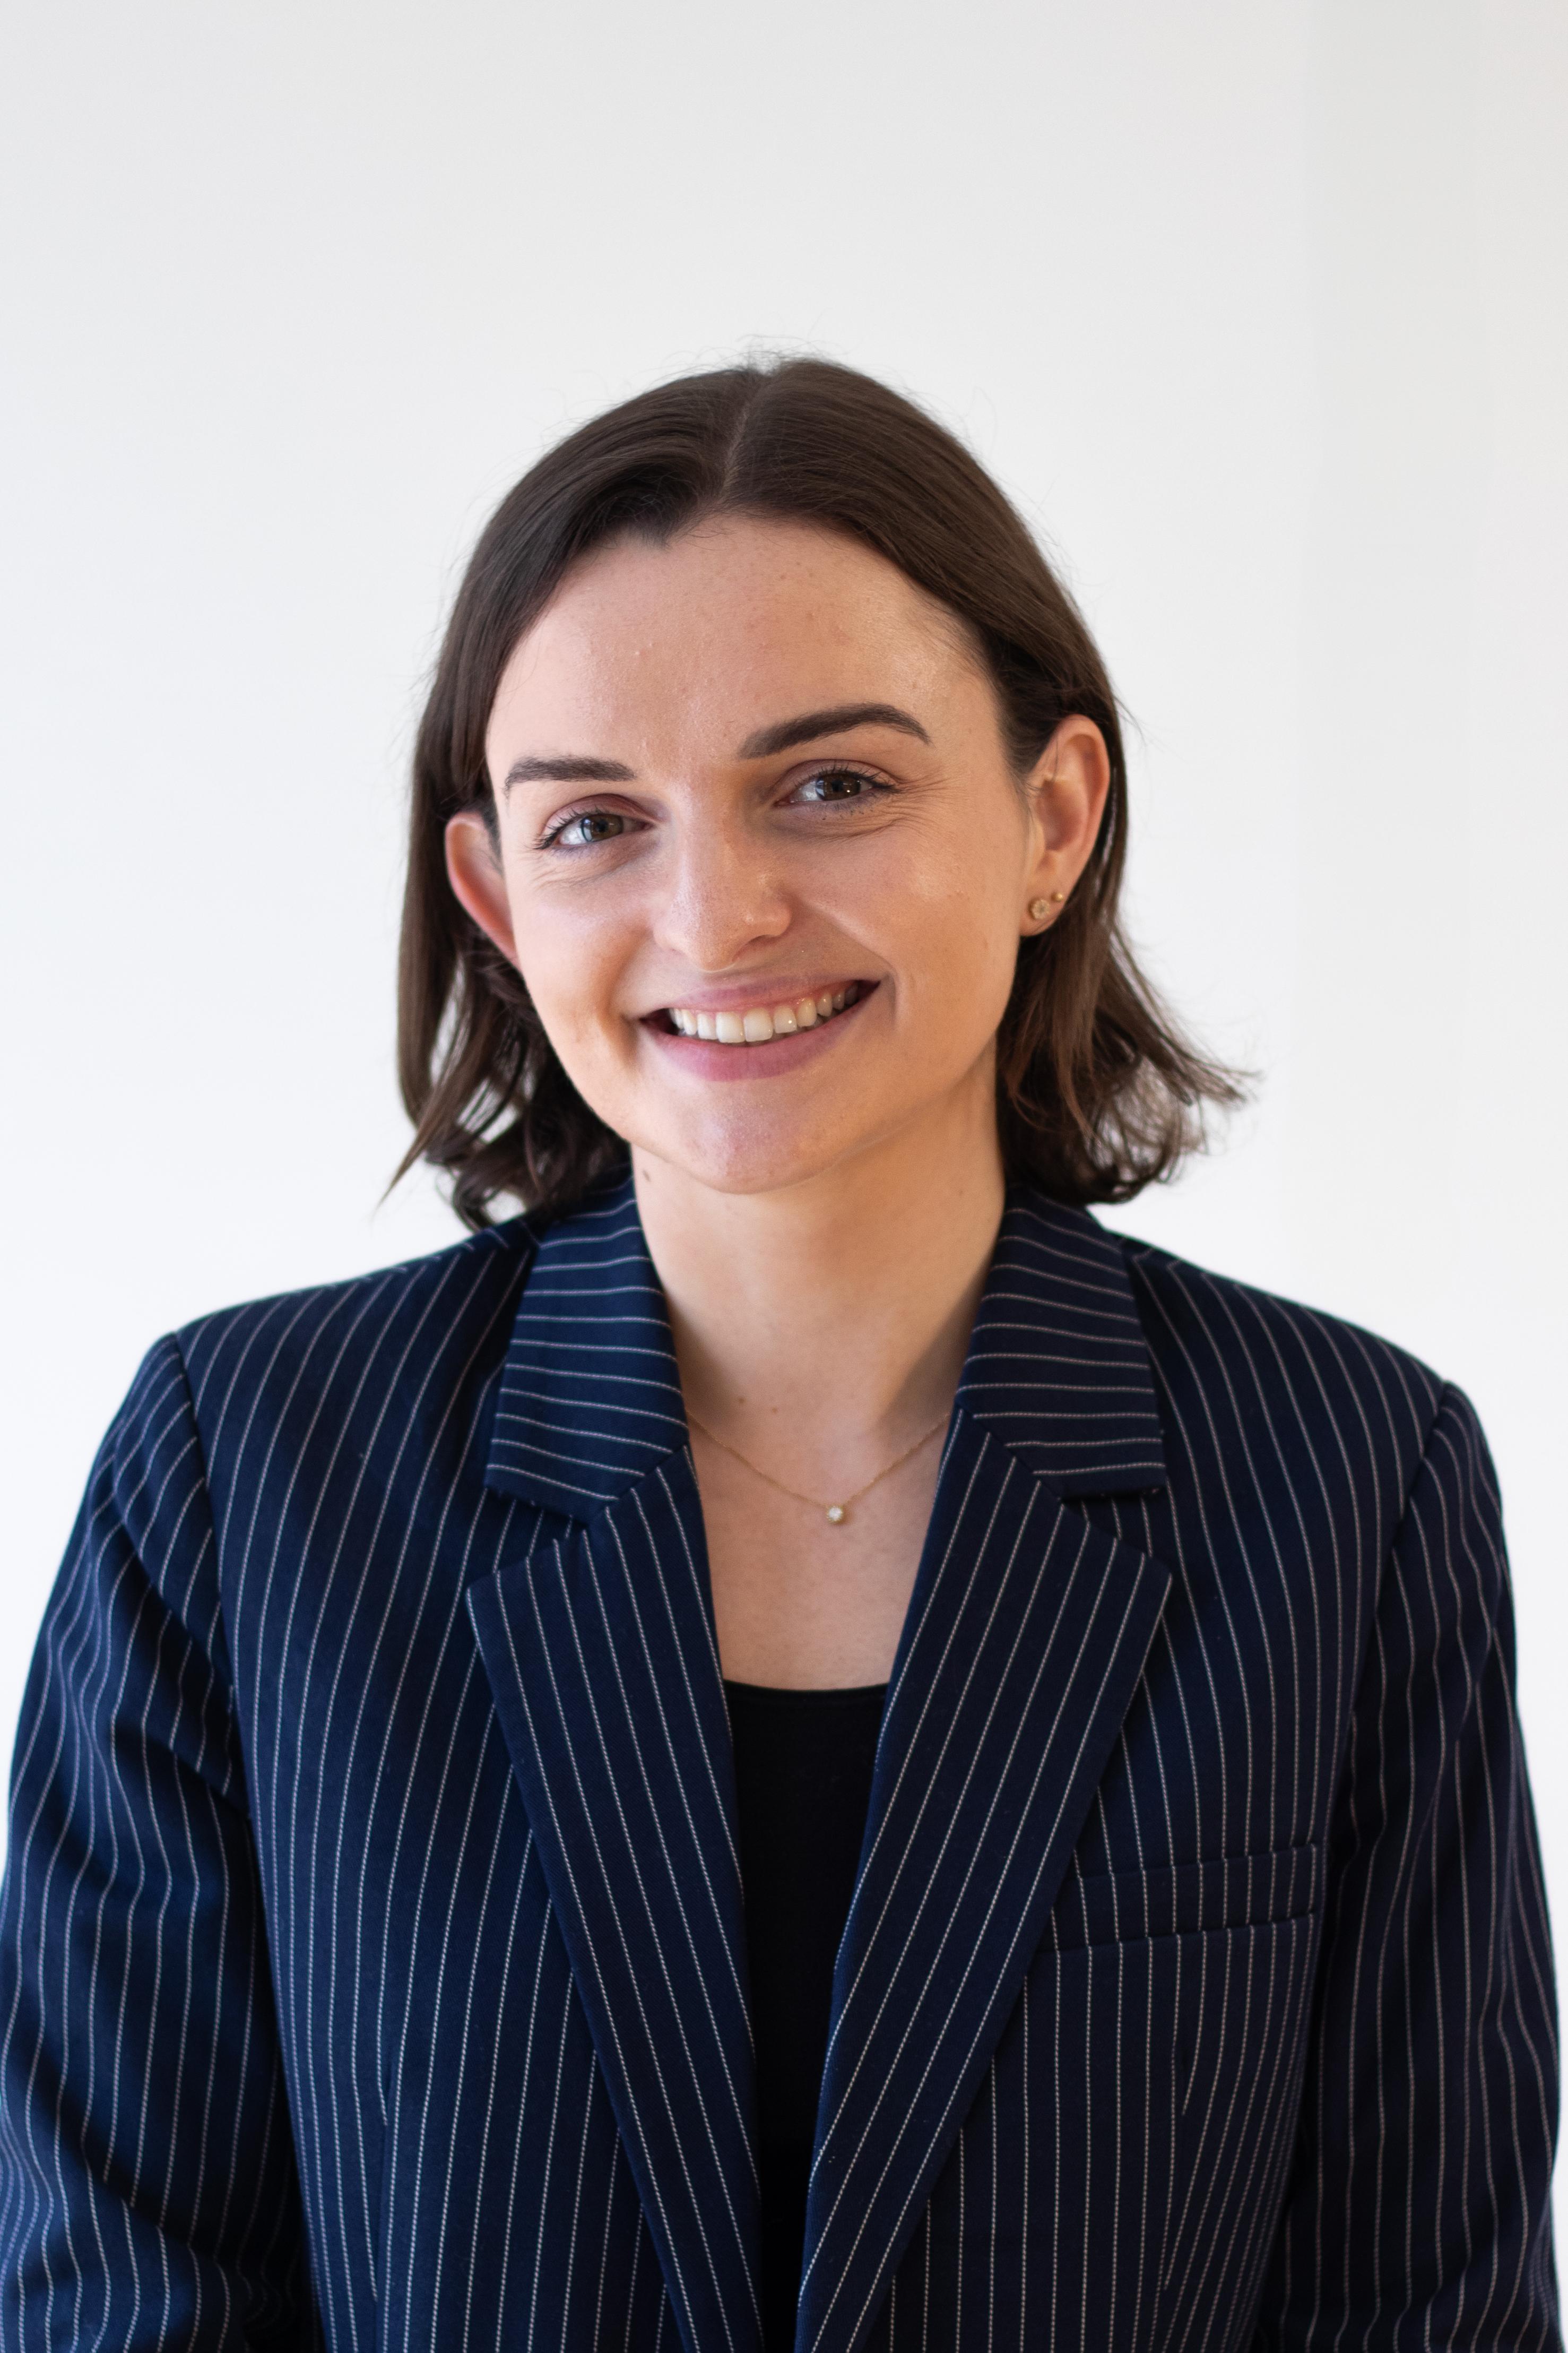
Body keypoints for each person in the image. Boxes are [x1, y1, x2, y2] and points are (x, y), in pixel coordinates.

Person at [0, 356, 1558, 2353]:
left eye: (830, 784)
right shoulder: (244, 1475)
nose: (714, 912)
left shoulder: (1348, 1481)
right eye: (594, 824)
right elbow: (118, 2291)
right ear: (493, 892)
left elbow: (1423, 2313)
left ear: (1050, 820)